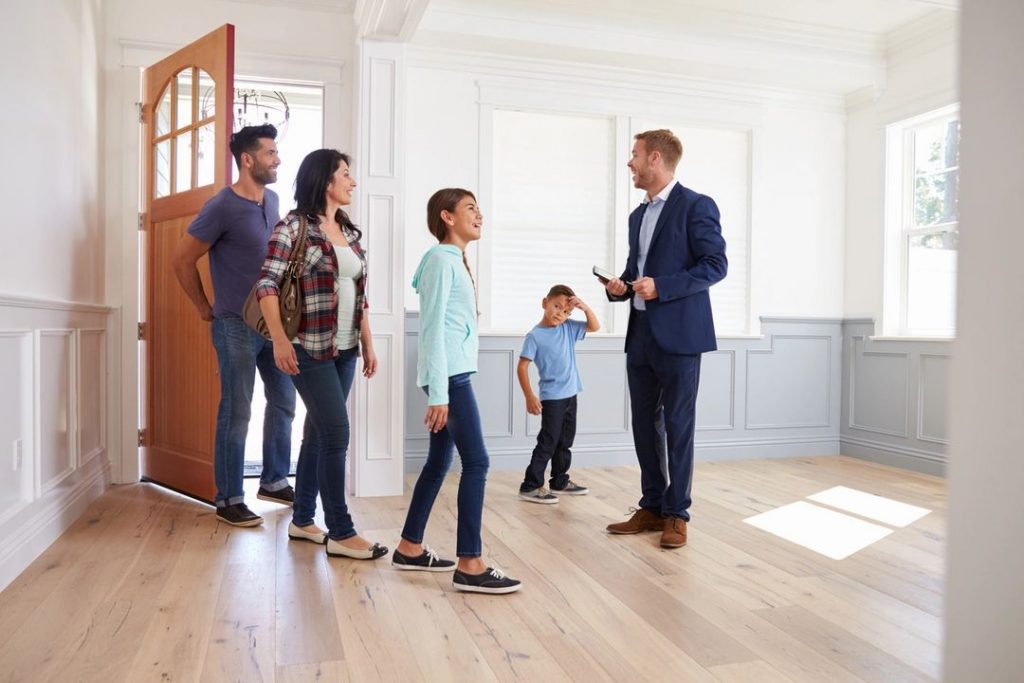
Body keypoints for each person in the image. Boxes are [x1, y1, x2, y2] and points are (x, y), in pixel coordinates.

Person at [254, 149, 386, 560]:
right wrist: (278, 340)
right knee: (335, 433)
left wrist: (366, 341)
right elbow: (267, 286)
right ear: (326, 180)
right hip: (308, 348)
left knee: (317, 432)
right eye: (347, 174)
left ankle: (302, 520)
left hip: (344, 347)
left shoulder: (350, 231)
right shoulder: (294, 226)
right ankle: (341, 532)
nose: (353, 181)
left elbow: (358, 294)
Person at [601, 129, 727, 549]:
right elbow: (637, 268)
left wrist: (663, 287)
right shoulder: (638, 215)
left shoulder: (697, 206)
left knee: (678, 425)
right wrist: (619, 286)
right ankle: (653, 505)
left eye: (634, 155)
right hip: (640, 336)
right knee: (643, 425)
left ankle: (677, 514)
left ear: (655, 158)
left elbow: (715, 265)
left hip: (680, 337)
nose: (630, 163)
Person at [392, 188, 522, 593]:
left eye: (479, 208)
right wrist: (438, 394)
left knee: (437, 463)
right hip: (450, 380)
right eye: (470, 209)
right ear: (447, 217)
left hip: (450, 376)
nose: (479, 215)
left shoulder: (452, 261)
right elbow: (430, 328)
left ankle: (409, 546)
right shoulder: (439, 261)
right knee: (478, 463)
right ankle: (470, 562)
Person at [172, 124, 296, 527]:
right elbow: (181, 259)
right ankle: (228, 497)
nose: (277, 159)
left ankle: (275, 480)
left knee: (283, 402)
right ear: (247, 159)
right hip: (235, 325)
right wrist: (203, 306)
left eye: (277, 152)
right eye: (270, 153)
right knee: (237, 410)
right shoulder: (221, 206)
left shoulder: (273, 200)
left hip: (274, 325)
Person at [517, 284, 600, 503]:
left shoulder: (568, 328)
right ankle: (530, 485)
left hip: (571, 393)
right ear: (545, 303)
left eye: (566, 311)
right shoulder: (534, 336)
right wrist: (529, 396)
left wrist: (583, 307)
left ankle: (559, 480)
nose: (560, 314)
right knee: (549, 441)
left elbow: (595, 326)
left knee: (565, 440)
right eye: (556, 307)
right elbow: (522, 367)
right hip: (552, 397)